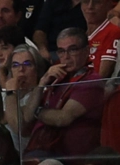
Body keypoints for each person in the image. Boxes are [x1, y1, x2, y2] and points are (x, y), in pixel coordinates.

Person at [26, 27, 105, 158]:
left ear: (86, 51)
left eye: (72, 50)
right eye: (61, 51)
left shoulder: (91, 81)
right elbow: (27, 116)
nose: (66, 57)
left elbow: (63, 118)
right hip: (45, 148)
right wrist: (41, 83)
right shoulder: (57, 78)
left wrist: (37, 111)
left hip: (72, 155)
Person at [2, 43, 43, 148]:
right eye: (15, 65)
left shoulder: (42, 94)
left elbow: (19, 128)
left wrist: (11, 93)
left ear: (37, 69)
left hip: (31, 156)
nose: (21, 69)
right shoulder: (3, 94)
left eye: (27, 64)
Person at [83, 0, 120, 78]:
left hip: (94, 87)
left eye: (97, 2)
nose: (90, 6)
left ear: (108, 5)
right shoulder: (81, 35)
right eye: (86, 2)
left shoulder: (113, 33)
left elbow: (101, 76)